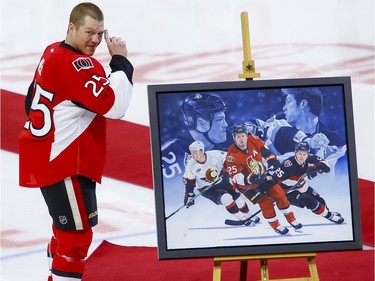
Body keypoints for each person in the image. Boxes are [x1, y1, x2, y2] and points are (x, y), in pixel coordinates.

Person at [18, 3, 133, 280]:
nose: (95, 40)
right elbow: (115, 106)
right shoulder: (79, 64)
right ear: (72, 27)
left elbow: (28, 99)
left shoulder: (52, 51)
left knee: (63, 230)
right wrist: (121, 62)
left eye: (100, 33)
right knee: (76, 238)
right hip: (65, 162)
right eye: (89, 32)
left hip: (45, 156)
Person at [225, 124, 302, 235]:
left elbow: (265, 150)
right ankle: (276, 226)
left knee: (279, 194)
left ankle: (292, 219)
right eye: (238, 137)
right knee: (266, 202)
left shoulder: (253, 139)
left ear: (247, 135)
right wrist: (249, 179)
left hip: (262, 175)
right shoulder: (231, 155)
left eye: (243, 136)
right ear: (234, 138)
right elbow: (236, 177)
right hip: (247, 186)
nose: (241, 139)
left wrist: (271, 160)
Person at [262, 88, 347, 165]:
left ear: (303, 104)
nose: (284, 108)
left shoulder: (336, 142)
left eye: (288, 101)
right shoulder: (278, 121)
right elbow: (253, 129)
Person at [182, 141, 260, 225]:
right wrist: (189, 194)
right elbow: (189, 181)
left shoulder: (215, 155)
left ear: (201, 151)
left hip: (223, 181)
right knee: (226, 198)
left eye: (194, 152)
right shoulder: (190, 164)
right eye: (192, 152)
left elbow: (231, 158)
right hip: (207, 189)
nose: (192, 155)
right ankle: (241, 218)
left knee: (238, 199)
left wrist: (225, 170)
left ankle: (249, 216)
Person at [161, 93, 230, 180]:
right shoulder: (169, 154)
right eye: (219, 120)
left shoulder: (231, 147)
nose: (226, 125)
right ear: (201, 123)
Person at [273, 141, 344, 224]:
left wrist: (316, 167)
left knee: (319, 199)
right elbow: (274, 180)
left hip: (302, 187)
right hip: (287, 192)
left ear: (308, 154)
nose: (302, 157)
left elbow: (326, 167)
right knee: (309, 200)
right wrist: (274, 196)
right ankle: (330, 216)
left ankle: (327, 212)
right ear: (295, 153)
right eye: (300, 154)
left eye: (304, 154)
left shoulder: (310, 158)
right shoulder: (288, 165)